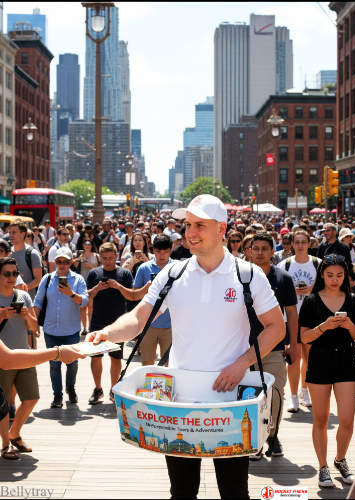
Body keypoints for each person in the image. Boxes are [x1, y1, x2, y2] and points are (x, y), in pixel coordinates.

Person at [86, 194, 285, 500]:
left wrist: (242, 363)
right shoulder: (173, 273)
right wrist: (107, 332)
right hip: (178, 407)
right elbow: (139, 317)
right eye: (188, 224)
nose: (190, 232)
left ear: (221, 229)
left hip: (229, 406)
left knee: (234, 492)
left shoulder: (247, 275)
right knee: (181, 492)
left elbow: (277, 326)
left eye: (199, 225)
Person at [299, 254, 355, 488]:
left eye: (339, 275)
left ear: (345, 275)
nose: (334, 279)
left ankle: (340, 459)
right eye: (329, 275)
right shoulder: (312, 300)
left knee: (347, 419)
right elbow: (304, 337)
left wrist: (349, 326)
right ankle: (323, 466)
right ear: (322, 276)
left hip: (346, 360)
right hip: (320, 360)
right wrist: (324, 326)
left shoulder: (354, 300)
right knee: (321, 419)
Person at [250, 232, 298, 458]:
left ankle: (273, 435)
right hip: (245, 350)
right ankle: (256, 441)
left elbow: (291, 313)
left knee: (276, 394)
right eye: (256, 248)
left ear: (272, 251)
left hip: (276, 347)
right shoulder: (239, 276)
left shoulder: (283, 278)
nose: (259, 252)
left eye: (264, 248)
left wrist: (294, 343)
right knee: (251, 396)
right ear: (250, 251)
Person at [86, 243, 151, 404]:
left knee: (116, 358)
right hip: (97, 321)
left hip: (118, 323)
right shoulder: (94, 273)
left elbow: (133, 296)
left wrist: (118, 286)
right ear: (100, 258)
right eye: (104, 258)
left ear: (116, 256)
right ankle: (98, 388)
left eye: (110, 258)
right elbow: (86, 297)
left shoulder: (125, 274)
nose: (108, 261)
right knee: (96, 357)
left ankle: (113, 389)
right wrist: (97, 289)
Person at [34, 247, 89, 408]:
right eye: (59, 262)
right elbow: (38, 302)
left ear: (71, 262)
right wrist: (32, 321)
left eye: (66, 262)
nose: (62, 265)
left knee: (72, 363)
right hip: (51, 330)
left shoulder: (78, 279)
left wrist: (71, 294)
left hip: (71, 330)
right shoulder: (47, 279)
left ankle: (70, 388)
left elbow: (84, 301)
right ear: (55, 262)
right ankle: (57, 395)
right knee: (54, 365)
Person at [278, 230, 321, 412]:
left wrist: (312, 289)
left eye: (304, 242)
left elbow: (328, 288)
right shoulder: (285, 265)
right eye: (297, 242)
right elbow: (277, 290)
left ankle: (305, 391)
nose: (301, 245)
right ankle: (294, 396)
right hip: (291, 317)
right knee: (293, 358)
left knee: (310, 358)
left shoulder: (318, 264)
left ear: (309, 243)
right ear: (292, 244)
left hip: (313, 316)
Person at [0, 257, 39, 457]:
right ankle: (6, 445)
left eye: (15, 273)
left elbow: (34, 328)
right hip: (3, 359)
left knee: (32, 397)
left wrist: (26, 315)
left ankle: (14, 433)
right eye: (7, 274)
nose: (12, 277)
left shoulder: (23, 296)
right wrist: (1, 315)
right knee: (4, 404)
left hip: (24, 355)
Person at [133, 234, 173, 366]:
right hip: (148, 325)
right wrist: (146, 289)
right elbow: (135, 295)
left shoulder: (178, 268)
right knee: (147, 365)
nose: (162, 255)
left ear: (171, 249)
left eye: (165, 252)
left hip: (171, 325)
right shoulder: (144, 268)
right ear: (152, 250)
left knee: (168, 365)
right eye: (158, 251)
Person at [9, 222, 42, 300]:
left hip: (28, 303)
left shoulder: (32, 254)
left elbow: (38, 280)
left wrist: (22, 289)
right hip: (8, 302)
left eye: (14, 232)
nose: (10, 235)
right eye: (9, 232)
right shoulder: (7, 253)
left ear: (23, 234)